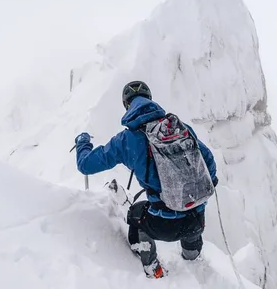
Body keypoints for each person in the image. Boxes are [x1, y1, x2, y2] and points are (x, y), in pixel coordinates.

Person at [74, 81, 218, 279]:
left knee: (135, 214)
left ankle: (153, 268)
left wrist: (82, 143)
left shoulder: (126, 141)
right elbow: (209, 162)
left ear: (127, 105)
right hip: (196, 220)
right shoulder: (181, 128)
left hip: (164, 226)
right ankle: (192, 256)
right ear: (151, 100)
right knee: (191, 206)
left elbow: (86, 165)